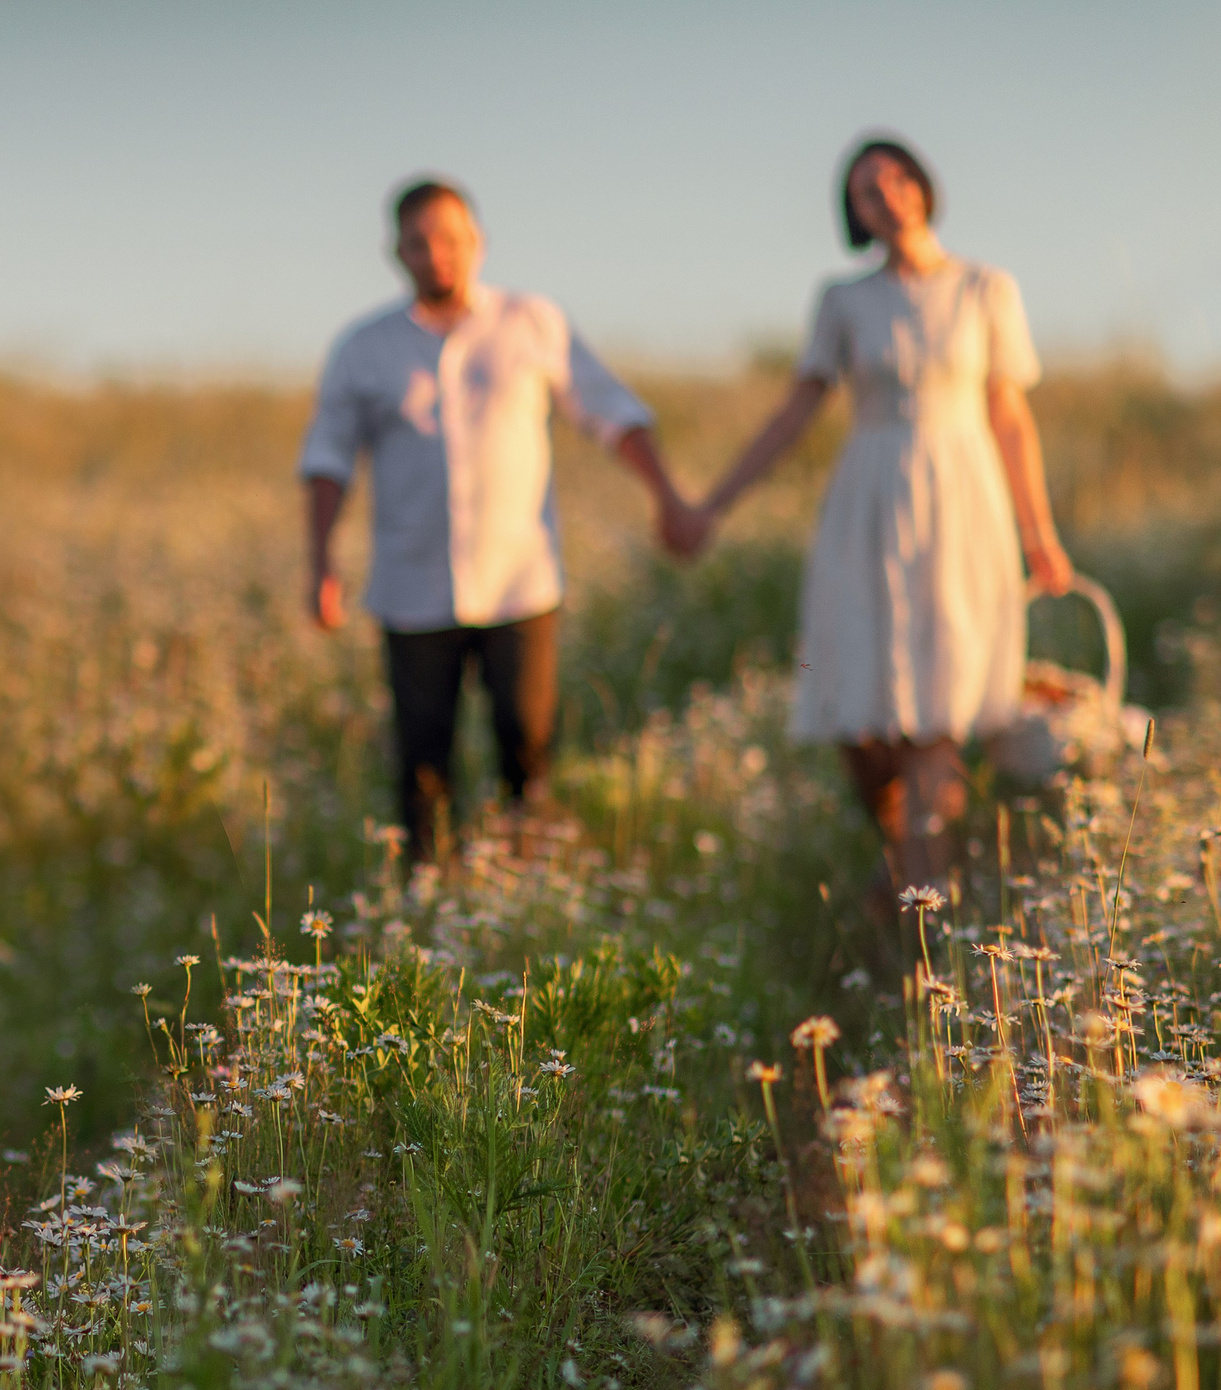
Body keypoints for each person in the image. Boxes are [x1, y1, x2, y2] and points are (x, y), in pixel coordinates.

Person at [692, 135, 1072, 901]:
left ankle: (924, 919)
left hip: (964, 500)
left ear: (923, 186)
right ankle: (905, 850)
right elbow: (796, 411)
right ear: (856, 214)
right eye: (868, 190)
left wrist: (1040, 536)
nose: (888, 195)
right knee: (855, 710)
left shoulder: (985, 287)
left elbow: (1010, 417)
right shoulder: (843, 300)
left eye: (897, 177)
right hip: (866, 505)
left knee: (940, 705)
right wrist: (714, 503)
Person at [302, 177, 702, 862]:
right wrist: (320, 562)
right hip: (413, 587)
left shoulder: (531, 322)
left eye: (450, 239)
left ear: (478, 242)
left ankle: (529, 879)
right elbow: (329, 459)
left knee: (528, 743)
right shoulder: (364, 348)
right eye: (418, 242)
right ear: (395, 251)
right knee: (422, 759)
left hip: (519, 579)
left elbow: (609, 410)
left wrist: (666, 494)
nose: (436, 254)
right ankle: (428, 896)